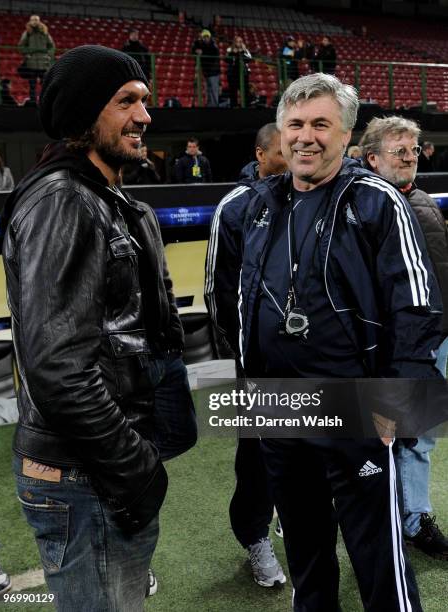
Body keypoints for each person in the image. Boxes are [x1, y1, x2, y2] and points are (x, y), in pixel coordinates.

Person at [205, 72, 442, 611]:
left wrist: (398, 407)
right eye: (295, 124)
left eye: (320, 124)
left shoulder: (377, 201)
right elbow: (232, 306)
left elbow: (418, 306)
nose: (305, 136)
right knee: (307, 550)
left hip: (356, 404)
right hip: (279, 404)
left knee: (377, 552)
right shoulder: (254, 206)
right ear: (281, 131)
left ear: (346, 136)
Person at [0, 45, 191, 612]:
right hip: (88, 473)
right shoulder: (65, 201)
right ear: (87, 117)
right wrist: (135, 468)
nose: (145, 116)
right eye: (126, 101)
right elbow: (58, 368)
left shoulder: (98, 194)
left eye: (145, 101)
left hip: (95, 466)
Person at [359, 115, 448, 561]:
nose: (411, 157)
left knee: (421, 437)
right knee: (379, 439)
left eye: (415, 150)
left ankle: (414, 520)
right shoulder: (362, 208)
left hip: (436, 340)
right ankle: (379, 522)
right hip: (392, 348)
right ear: (371, 158)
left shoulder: (425, 200)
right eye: (400, 151)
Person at [206, 122, 287, 588]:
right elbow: (219, 292)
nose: (294, 153)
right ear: (260, 154)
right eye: (283, 148)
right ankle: (255, 536)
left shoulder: (310, 196)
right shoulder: (235, 207)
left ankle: (293, 524)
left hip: (313, 359)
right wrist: (248, 352)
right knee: (259, 454)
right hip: (258, 361)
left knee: (312, 451)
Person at [18, 14, 54, 104]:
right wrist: (27, 54)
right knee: (32, 85)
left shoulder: (45, 33)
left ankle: (45, 101)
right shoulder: (27, 33)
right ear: (30, 21)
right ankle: (33, 101)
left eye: (36, 20)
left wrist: (48, 55)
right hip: (31, 63)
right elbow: (21, 46)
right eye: (33, 20)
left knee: (45, 84)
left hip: (43, 63)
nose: (35, 21)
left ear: (39, 21)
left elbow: (51, 46)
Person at [192, 29, 220, 107]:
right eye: (204, 37)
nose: (205, 38)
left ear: (210, 37)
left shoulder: (213, 45)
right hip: (206, 71)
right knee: (208, 89)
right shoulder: (201, 44)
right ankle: (209, 105)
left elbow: (213, 53)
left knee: (213, 90)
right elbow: (194, 49)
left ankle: (215, 105)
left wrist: (202, 52)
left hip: (214, 71)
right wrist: (197, 43)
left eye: (207, 37)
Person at [225, 36, 252, 108]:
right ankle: (234, 106)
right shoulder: (230, 49)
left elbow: (249, 59)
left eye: (240, 41)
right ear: (234, 42)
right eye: (237, 41)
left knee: (245, 91)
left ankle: (246, 107)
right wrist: (233, 53)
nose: (239, 43)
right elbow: (227, 59)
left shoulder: (245, 50)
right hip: (233, 74)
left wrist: (243, 50)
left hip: (243, 74)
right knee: (233, 92)